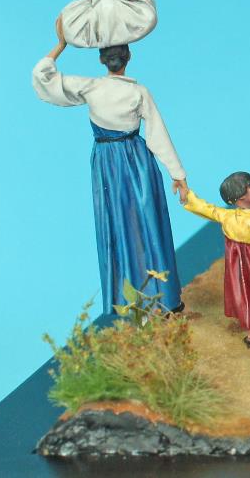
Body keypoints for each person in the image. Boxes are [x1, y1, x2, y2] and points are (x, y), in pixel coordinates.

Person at [32, 18, 188, 314]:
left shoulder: (90, 87)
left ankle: (139, 301)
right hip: (135, 162)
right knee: (147, 223)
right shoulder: (138, 91)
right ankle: (157, 299)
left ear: (102, 60)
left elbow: (44, 75)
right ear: (128, 57)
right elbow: (157, 134)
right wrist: (177, 174)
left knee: (121, 224)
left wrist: (61, 45)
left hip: (108, 163)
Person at [180, 171, 250, 349]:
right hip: (247, 263)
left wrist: (188, 196)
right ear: (241, 196)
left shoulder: (240, 218)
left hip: (245, 263)